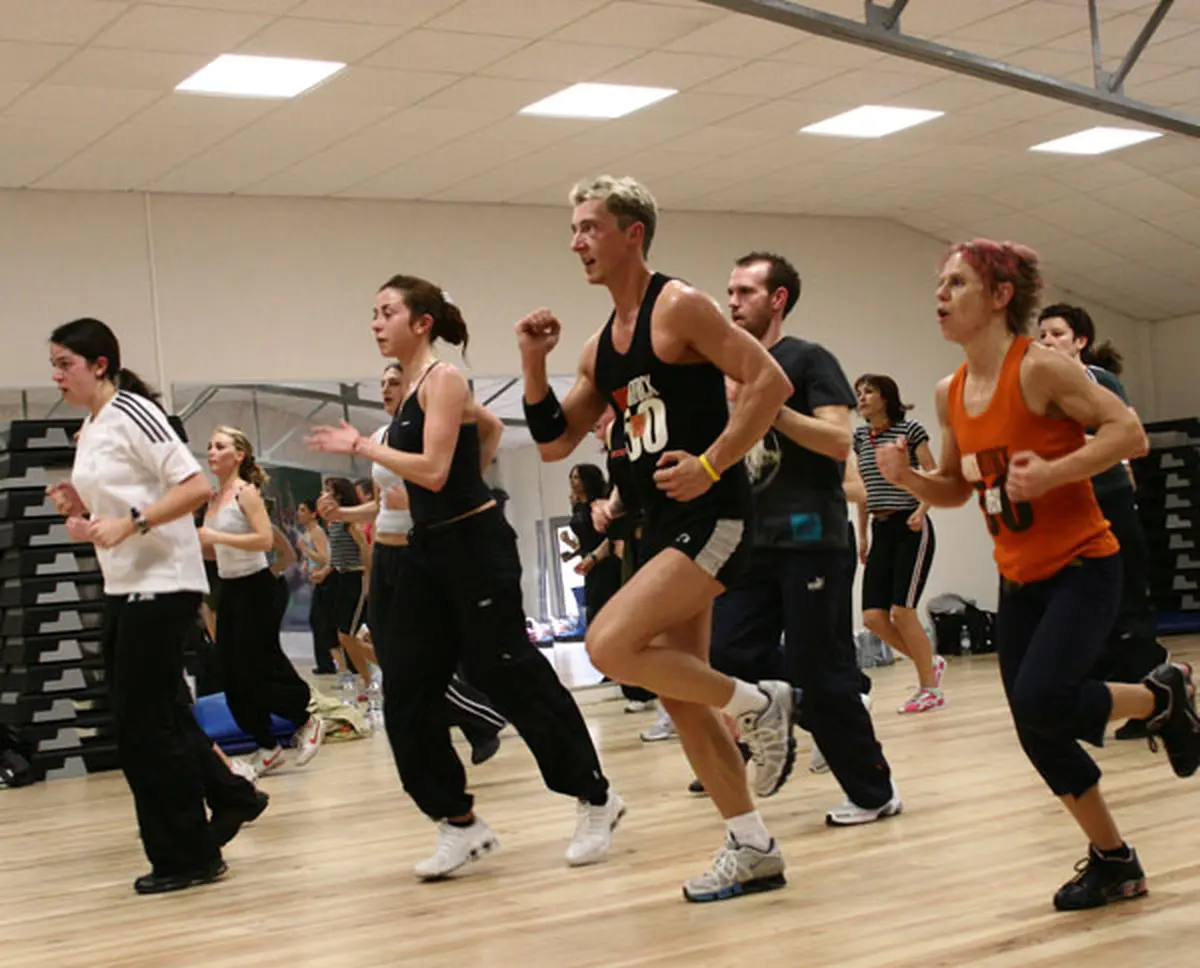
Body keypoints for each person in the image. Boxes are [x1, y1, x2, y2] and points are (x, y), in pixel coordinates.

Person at [876, 238, 1199, 911]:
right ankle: (1116, 861)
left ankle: (1160, 699)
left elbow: (1129, 434)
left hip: (1084, 563)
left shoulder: (1042, 370)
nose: (941, 294)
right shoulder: (952, 390)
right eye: (940, 282)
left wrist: (1054, 471)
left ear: (999, 298)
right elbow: (959, 489)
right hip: (1017, 577)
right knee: (1035, 722)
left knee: (1045, 700)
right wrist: (911, 480)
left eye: (957, 283)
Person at [516, 176, 795, 902]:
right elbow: (552, 441)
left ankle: (762, 703)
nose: (577, 241)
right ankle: (753, 846)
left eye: (589, 227)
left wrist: (711, 464)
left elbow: (767, 383)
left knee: (609, 645)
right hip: (658, 525)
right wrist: (534, 362)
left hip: (711, 517)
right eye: (573, 229)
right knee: (680, 697)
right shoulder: (600, 346)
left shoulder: (681, 307)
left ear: (631, 233)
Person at [307, 275, 622, 880]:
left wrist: (361, 448)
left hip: (474, 550)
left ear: (422, 322)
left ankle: (596, 797)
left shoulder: (444, 378)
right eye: (373, 313)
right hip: (428, 552)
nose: (376, 323)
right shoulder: (416, 394)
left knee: (508, 672)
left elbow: (430, 470)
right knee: (406, 691)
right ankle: (457, 821)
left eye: (387, 312)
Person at [46, 317, 264, 894]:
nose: (56, 375)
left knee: (144, 729)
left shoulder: (133, 413)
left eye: (65, 364)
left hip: (162, 587)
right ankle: (233, 795)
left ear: (99, 365)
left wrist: (133, 522)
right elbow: (117, 505)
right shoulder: (91, 428)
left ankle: (187, 856)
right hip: (124, 588)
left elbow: (192, 485)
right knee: (155, 715)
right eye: (53, 365)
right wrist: (82, 507)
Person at [707, 252, 897, 825]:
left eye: (745, 291)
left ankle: (872, 793)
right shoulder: (729, 370)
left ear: (777, 300)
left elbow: (839, 441)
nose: (732, 302)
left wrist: (771, 409)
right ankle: (794, 699)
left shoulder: (808, 360)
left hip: (812, 540)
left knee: (823, 668)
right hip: (751, 543)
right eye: (731, 291)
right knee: (725, 651)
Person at [317, 362, 507, 764]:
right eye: (381, 382)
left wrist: (457, 492)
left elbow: (493, 429)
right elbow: (380, 505)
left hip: (417, 552)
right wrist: (341, 516)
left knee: (409, 658)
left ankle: (480, 717)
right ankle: (468, 723)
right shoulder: (383, 436)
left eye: (394, 382)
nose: (386, 388)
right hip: (386, 554)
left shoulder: (427, 431)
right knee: (391, 655)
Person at [1037, 304, 1167, 737]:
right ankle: (1094, 703)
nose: (1047, 340)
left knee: (1128, 603)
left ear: (1080, 342)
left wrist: (1082, 445)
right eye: (1042, 334)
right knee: (1082, 610)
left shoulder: (1101, 382)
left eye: (1057, 333)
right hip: (1063, 509)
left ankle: (1154, 703)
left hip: (1108, 501)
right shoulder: (1038, 392)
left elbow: (1132, 441)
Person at [200, 427, 325, 777]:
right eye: (209, 446)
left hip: (255, 588)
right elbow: (214, 550)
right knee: (230, 670)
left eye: (220, 446)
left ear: (239, 455)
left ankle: (306, 719)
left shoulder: (246, 493)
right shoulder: (213, 499)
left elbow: (265, 539)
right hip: (230, 588)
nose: (211, 451)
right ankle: (266, 746)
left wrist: (216, 536)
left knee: (259, 664)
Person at [853, 373, 943, 712]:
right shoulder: (860, 437)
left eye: (869, 392)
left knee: (902, 611)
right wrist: (862, 534)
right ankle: (928, 663)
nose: (861, 398)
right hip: (880, 528)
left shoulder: (910, 430)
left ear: (886, 397)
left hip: (911, 525)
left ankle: (930, 689)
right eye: (858, 393)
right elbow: (863, 489)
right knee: (874, 617)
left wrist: (921, 510)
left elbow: (934, 473)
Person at [295, 499, 337, 675]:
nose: (299, 513)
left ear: (313, 514)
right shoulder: (307, 533)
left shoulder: (317, 533)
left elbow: (325, 558)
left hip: (325, 581)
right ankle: (325, 662)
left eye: (303, 510)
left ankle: (328, 662)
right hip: (315, 580)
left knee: (321, 621)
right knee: (317, 621)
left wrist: (305, 550)